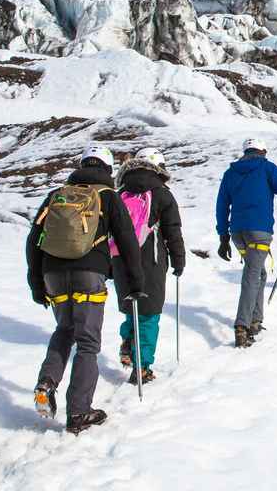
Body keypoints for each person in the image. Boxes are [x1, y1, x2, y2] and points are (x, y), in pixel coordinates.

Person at [27, 143, 144, 435]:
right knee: (88, 343)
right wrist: (135, 282)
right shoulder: (108, 197)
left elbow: (34, 240)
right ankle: (79, 412)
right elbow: (128, 241)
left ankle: (46, 383)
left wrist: (37, 282)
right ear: (108, 169)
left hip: (53, 273)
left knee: (64, 331)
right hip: (89, 272)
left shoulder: (56, 195)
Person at [112, 147, 186, 384]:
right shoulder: (162, 194)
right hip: (150, 261)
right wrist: (178, 259)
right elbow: (172, 231)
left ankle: (128, 342)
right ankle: (142, 366)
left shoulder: (119, 192)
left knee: (131, 307)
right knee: (149, 313)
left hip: (120, 259)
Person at [215, 137, 277, 348]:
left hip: (237, 233)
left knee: (259, 272)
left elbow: (222, 205)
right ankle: (242, 326)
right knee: (252, 274)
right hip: (259, 231)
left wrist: (223, 237)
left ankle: (255, 321)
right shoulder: (268, 168)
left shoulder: (230, 172)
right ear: (263, 151)